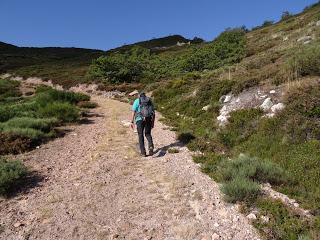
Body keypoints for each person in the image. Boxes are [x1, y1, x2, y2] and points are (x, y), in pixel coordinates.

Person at [131, 92, 155, 157]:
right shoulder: (149, 100)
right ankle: (150, 145)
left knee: (140, 135)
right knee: (148, 134)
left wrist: (132, 121)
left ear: (139, 96)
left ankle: (143, 152)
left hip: (139, 120)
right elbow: (153, 112)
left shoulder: (137, 100)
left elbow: (133, 111)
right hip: (148, 119)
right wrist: (153, 122)